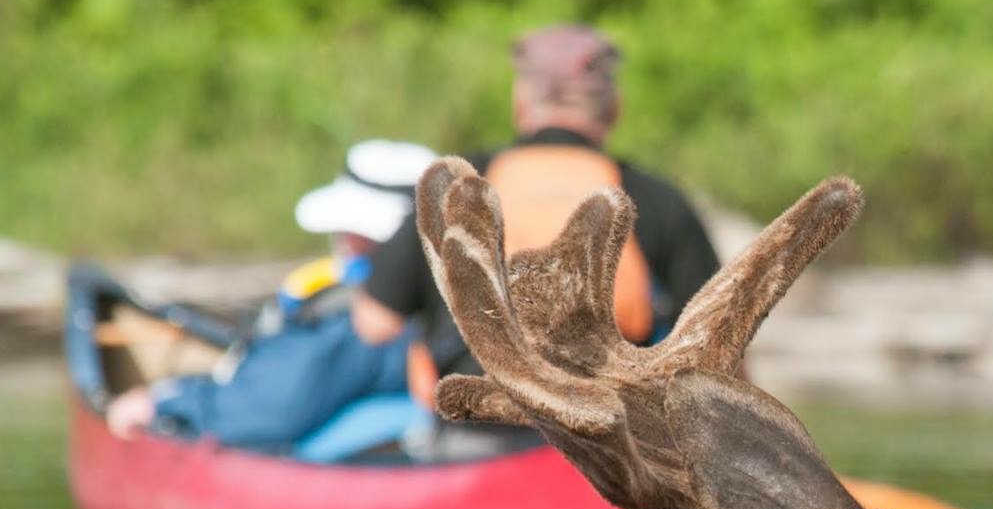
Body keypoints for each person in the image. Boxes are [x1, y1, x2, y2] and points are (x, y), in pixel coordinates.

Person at [353, 24, 721, 406]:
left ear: (520, 104)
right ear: (614, 108)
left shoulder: (461, 188)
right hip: (606, 434)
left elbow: (376, 324)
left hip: (478, 430)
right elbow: (715, 345)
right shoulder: (656, 198)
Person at [105, 141, 436, 454]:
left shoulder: (355, 318)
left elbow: (271, 409)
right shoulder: (450, 301)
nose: (341, 239)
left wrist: (163, 403)